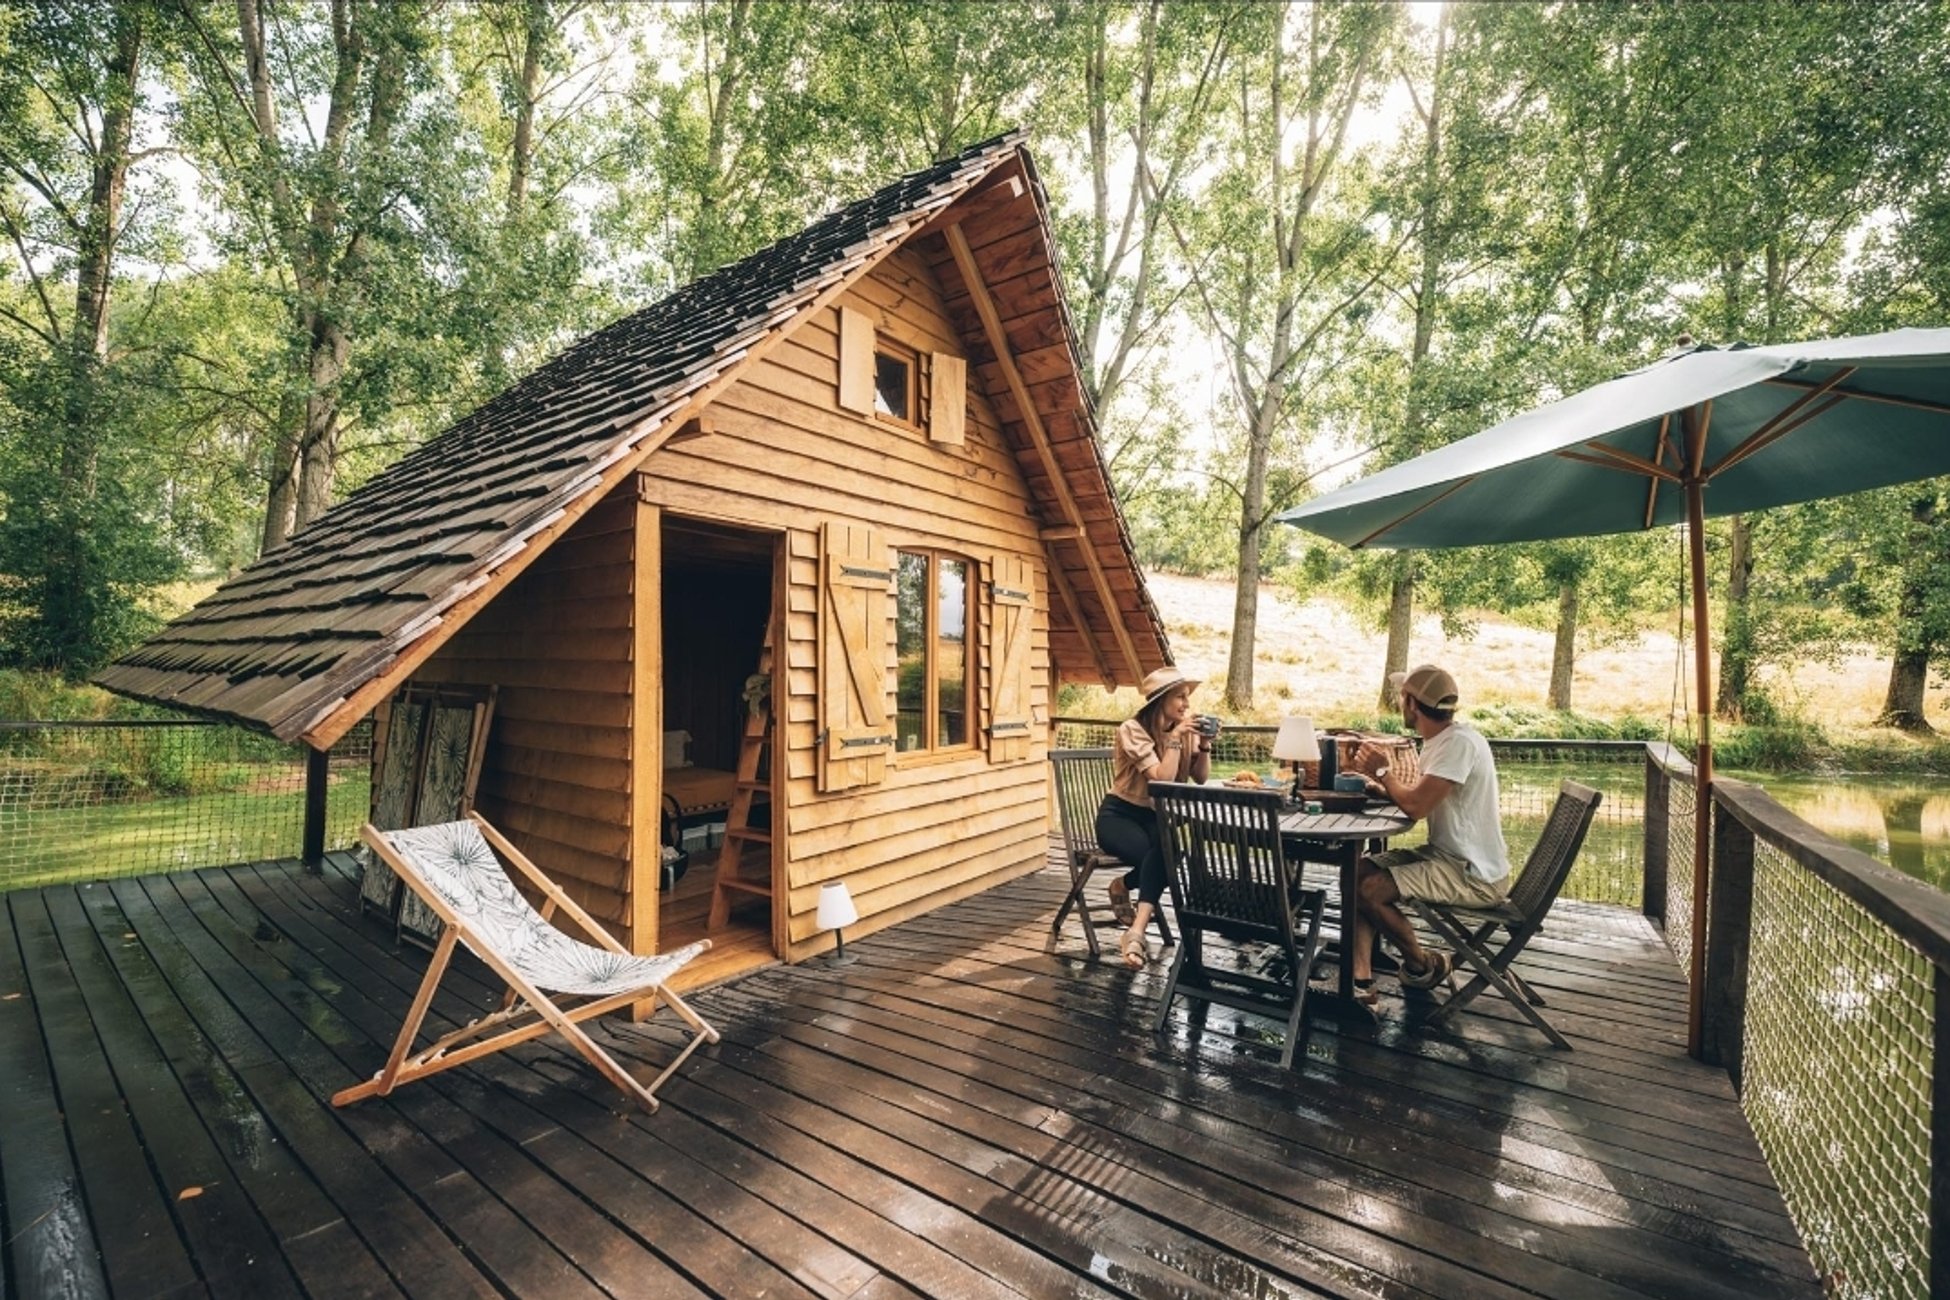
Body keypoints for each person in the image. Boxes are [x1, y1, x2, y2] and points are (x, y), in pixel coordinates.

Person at [1346, 663, 1510, 1000]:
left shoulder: (1458, 744)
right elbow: (1420, 798)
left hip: (1473, 875)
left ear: (1411, 704)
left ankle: (1423, 964)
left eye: (1402, 696)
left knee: (1372, 889)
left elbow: (1417, 809)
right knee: (1357, 871)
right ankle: (1359, 978)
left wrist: (1381, 770)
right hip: (1448, 859)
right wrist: (1384, 789)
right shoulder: (1442, 741)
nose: (1399, 702)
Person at [1096, 665, 1215, 969]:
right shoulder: (1132, 730)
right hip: (1119, 816)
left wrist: (1204, 745)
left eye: (1187, 698)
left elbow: (1200, 778)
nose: (1187, 705)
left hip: (1154, 819)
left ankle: (1129, 906)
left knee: (1170, 852)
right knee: (1165, 855)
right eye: (1181, 697)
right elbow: (1160, 781)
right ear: (1161, 700)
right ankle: (1137, 930)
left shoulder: (1183, 733)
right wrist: (1175, 738)